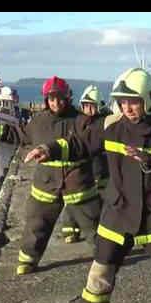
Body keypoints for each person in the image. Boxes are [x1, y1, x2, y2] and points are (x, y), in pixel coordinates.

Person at [24, 68, 151, 303]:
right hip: (118, 210)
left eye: (133, 101)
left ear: (148, 99)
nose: (127, 107)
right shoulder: (110, 125)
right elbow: (79, 143)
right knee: (101, 268)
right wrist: (49, 150)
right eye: (122, 101)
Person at [0, 76, 102, 276]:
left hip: (79, 186)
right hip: (46, 186)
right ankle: (27, 262)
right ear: (46, 99)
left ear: (68, 98)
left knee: (94, 226)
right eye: (51, 99)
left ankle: (106, 259)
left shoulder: (81, 120)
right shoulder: (39, 121)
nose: (55, 103)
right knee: (35, 228)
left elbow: (90, 145)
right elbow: (19, 135)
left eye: (59, 98)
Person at [60, 85, 110, 243]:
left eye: (92, 105)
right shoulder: (77, 121)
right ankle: (70, 231)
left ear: (99, 105)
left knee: (99, 201)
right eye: (85, 105)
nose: (88, 108)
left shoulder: (105, 121)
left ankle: (99, 231)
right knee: (74, 201)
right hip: (81, 168)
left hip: (101, 168)